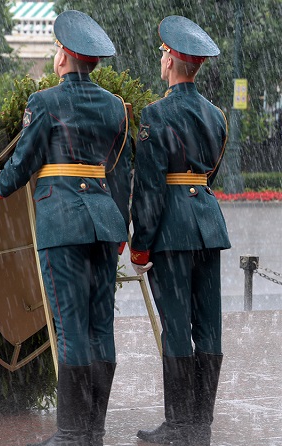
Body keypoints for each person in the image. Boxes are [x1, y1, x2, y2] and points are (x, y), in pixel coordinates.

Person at [0, 11, 130, 445]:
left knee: (69, 325)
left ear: (64, 57)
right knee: (100, 326)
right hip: (104, 222)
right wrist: (121, 227)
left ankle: (70, 433)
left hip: (62, 219)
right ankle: (93, 430)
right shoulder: (115, 106)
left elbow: (22, 165)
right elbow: (120, 172)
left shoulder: (44, 102)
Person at [130, 16, 229, 446]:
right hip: (208, 225)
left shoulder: (155, 115)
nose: (161, 60)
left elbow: (150, 189)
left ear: (170, 61)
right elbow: (209, 176)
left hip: (172, 230)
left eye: (163, 55)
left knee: (176, 326)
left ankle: (177, 425)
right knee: (208, 326)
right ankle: (200, 424)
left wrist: (140, 245)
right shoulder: (216, 115)